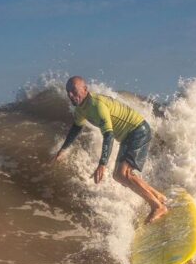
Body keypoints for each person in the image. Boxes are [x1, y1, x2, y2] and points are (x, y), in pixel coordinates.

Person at [50, 76, 169, 223]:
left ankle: (157, 206)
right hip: (127, 136)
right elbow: (76, 127)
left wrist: (102, 163)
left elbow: (108, 135)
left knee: (122, 173)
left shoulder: (97, 105)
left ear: (85, 89)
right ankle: (158, 197)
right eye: (68, 92)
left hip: (137, 130)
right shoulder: (81, 109)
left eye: (74, 92)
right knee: (119, 176)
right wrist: (63, 149)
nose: (71, 96)